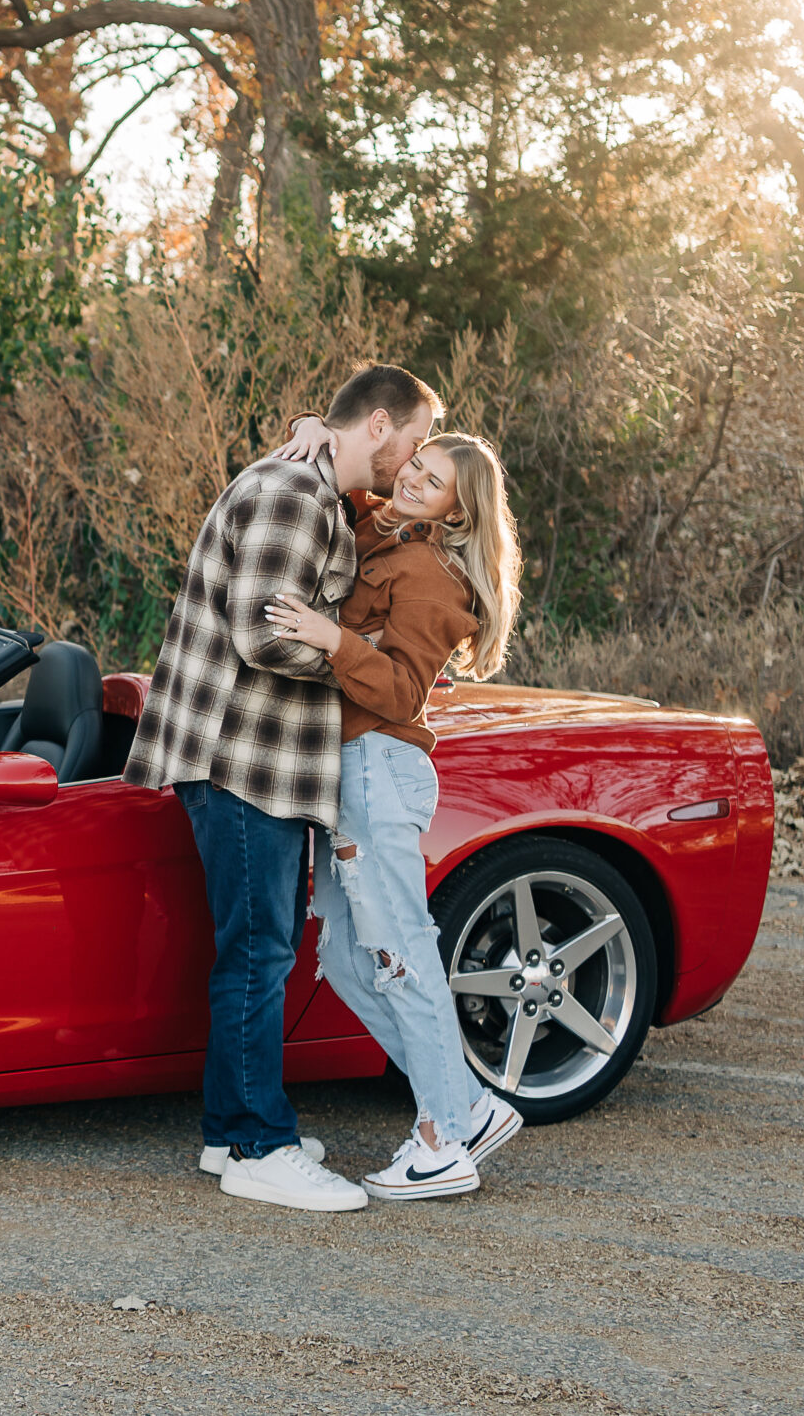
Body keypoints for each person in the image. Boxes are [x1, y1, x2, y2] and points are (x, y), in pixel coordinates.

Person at [124, 363, 440, 1214]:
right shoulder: (295, 493)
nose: (414, 461)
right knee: (261, 952)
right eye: (413, 441)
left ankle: (233, 1133)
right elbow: (264, 633)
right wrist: (354, 657)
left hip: (257, 761)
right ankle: (262, 1144)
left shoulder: (313, 486)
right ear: (378, 423)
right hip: (242, 761)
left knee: (253, 950)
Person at [263, 425, 527, 1200]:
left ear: (457, 510)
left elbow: (404, 692)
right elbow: (349, 488)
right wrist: (314, 429)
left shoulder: (432, 575)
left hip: (379, 766)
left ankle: (443, 1138)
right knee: (346, 959)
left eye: (434, 478)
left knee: (396, 951)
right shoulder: (385, 527)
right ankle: (468, 1104)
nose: (412, 477)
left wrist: (331, 638)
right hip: (348, 770)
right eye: (417, 461)